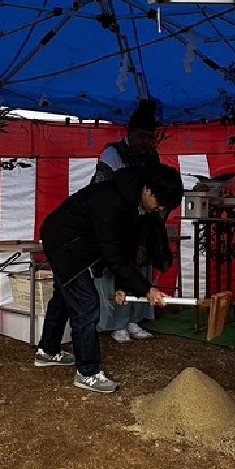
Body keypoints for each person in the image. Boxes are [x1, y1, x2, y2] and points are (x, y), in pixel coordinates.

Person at [35, 162, 185, 394]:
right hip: (63, 242)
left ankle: (48, 350)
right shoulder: (112, 201)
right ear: (148, 190)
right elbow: (113, 254)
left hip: (79, 244)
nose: (160, 209)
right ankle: (88, 372)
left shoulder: (135, 203)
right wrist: (146, 289)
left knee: (65, 295)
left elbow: (125, 249)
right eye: (160, 202)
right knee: (86, 303)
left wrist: (125, 287)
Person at [90, 99, 169, 343]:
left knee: (141, 269)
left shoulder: (151, 156)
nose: (146, 142)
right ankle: (118, 323)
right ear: (130, 132)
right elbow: (102, 187)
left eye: (151, 137)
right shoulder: (113, 153)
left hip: (143, 224)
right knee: (119, 271)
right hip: (119, 221)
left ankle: (136, 319)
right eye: (143, 136)